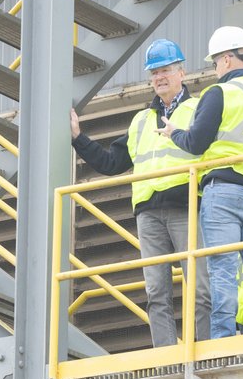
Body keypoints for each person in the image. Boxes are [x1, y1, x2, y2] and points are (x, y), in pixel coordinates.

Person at [70, 38, 211, 346]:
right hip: (148, 213)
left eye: (165, 70)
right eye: (154, 73)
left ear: (182, 73)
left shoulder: (199, 109)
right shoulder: (141, 121)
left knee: (200, 287)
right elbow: (111, 163)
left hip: (186, 207)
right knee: (156, 292)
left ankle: (208, 350)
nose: (159, 77)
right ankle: (165, 357)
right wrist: (79, 138)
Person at [159, 26, 243, 338]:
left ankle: (223, 338)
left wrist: (173, 133)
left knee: (223, 268)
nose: (215, 69)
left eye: (215, 62)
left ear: (227, 59)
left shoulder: (219, 93)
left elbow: (196, 143)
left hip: (224, 193)